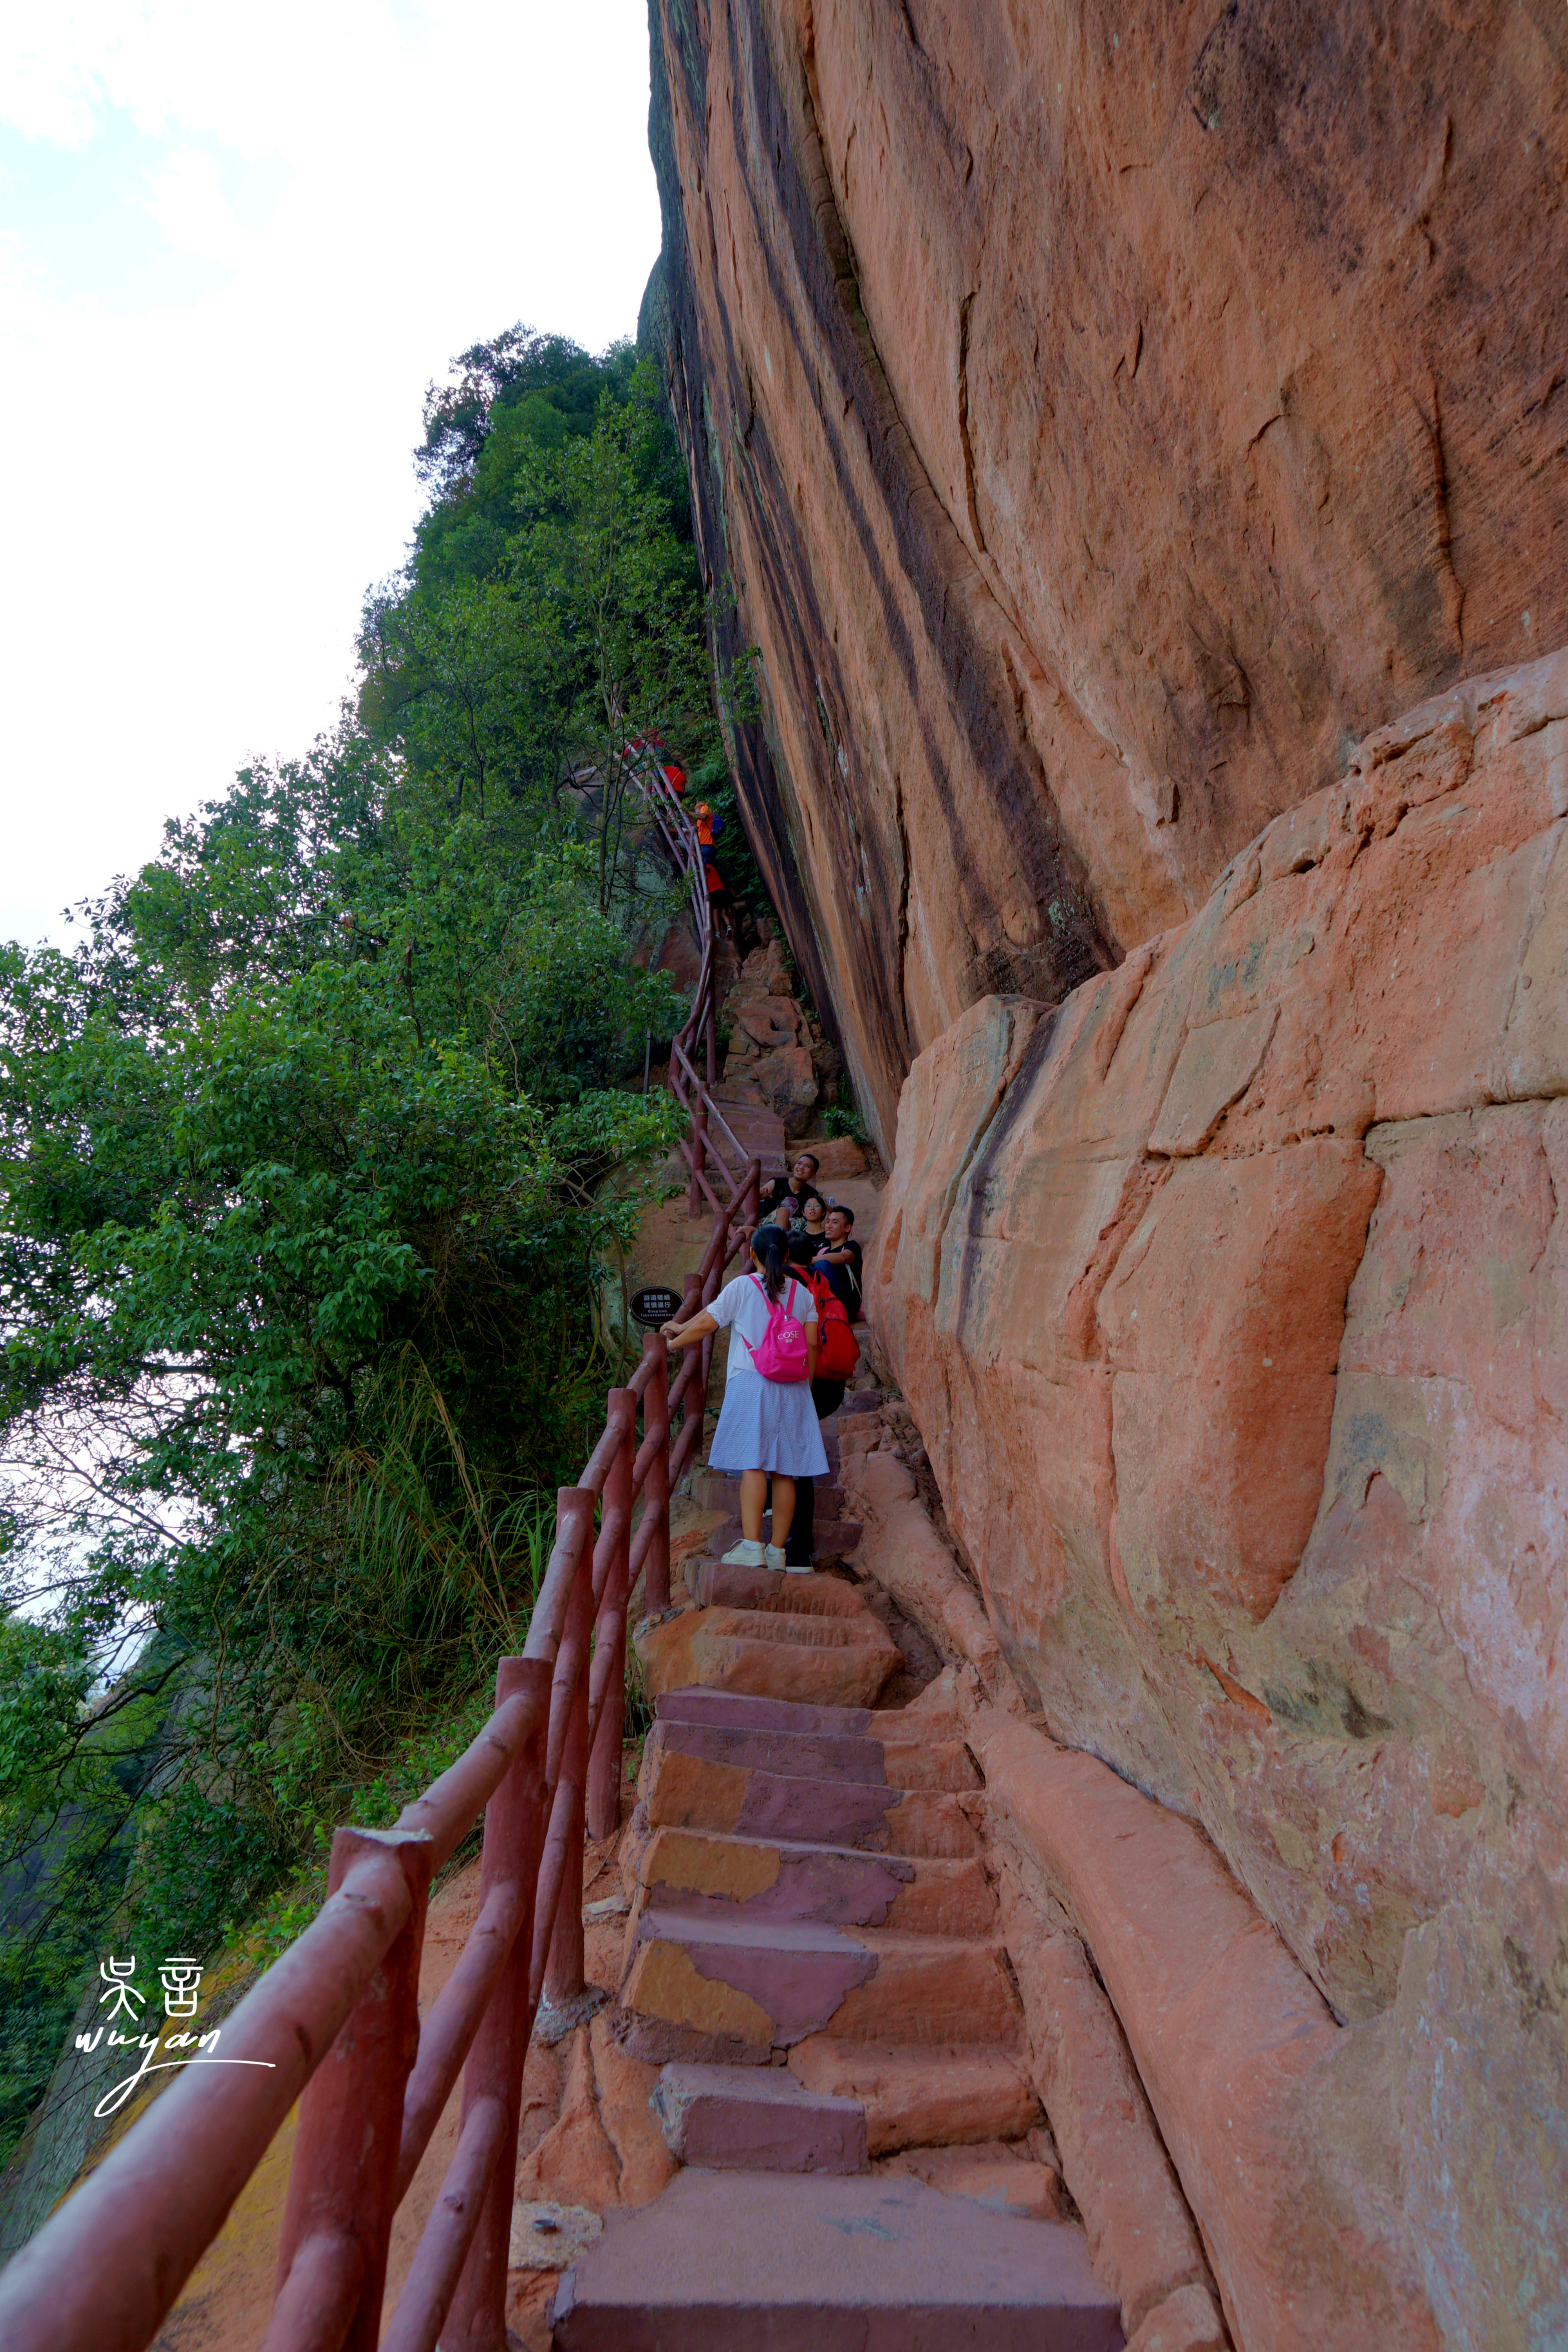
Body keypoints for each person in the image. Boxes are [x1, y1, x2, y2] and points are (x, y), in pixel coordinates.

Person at [660, 1226, 827, 1573]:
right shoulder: (803, 1293)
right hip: (794, 1386)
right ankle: (778, 1552)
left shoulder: (744, 1286)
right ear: (785, 1256)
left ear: (751, 1254)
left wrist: (673, 1343)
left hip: (753, 1382)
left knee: (754, 1464)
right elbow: (812, 1345)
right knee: (786, 1472)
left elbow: (710, 1322)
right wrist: (804, 1388)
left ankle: (752, 1546)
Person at [812, 1204, 863, 1320]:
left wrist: (812, 1260)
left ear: (848, 1228)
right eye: (828, 1222)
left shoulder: (852, 1246)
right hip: (825, 1301)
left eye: (834, 1223)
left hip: (848, 1305)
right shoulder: (822, 1252)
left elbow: (843, 1257)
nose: (828, 1226)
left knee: (821, 1264)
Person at [761, 1151, 824, 1221]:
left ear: (813, 1175)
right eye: (799, 1163)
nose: (801, 1167)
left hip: (795, 1229)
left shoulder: (811, 1194)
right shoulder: (777, 1183)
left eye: (807, 1166)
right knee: (783, 1212)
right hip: (769, 1226)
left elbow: (825, 1210)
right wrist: (761, 1194)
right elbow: (756, 1197)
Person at [786, 1193, 826, 1268]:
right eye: (808, 1206)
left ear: (823, 1212)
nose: (812, 1209)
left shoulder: (829, 1235)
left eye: (817, 1206)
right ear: (803, 1213)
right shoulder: (798, 1237)